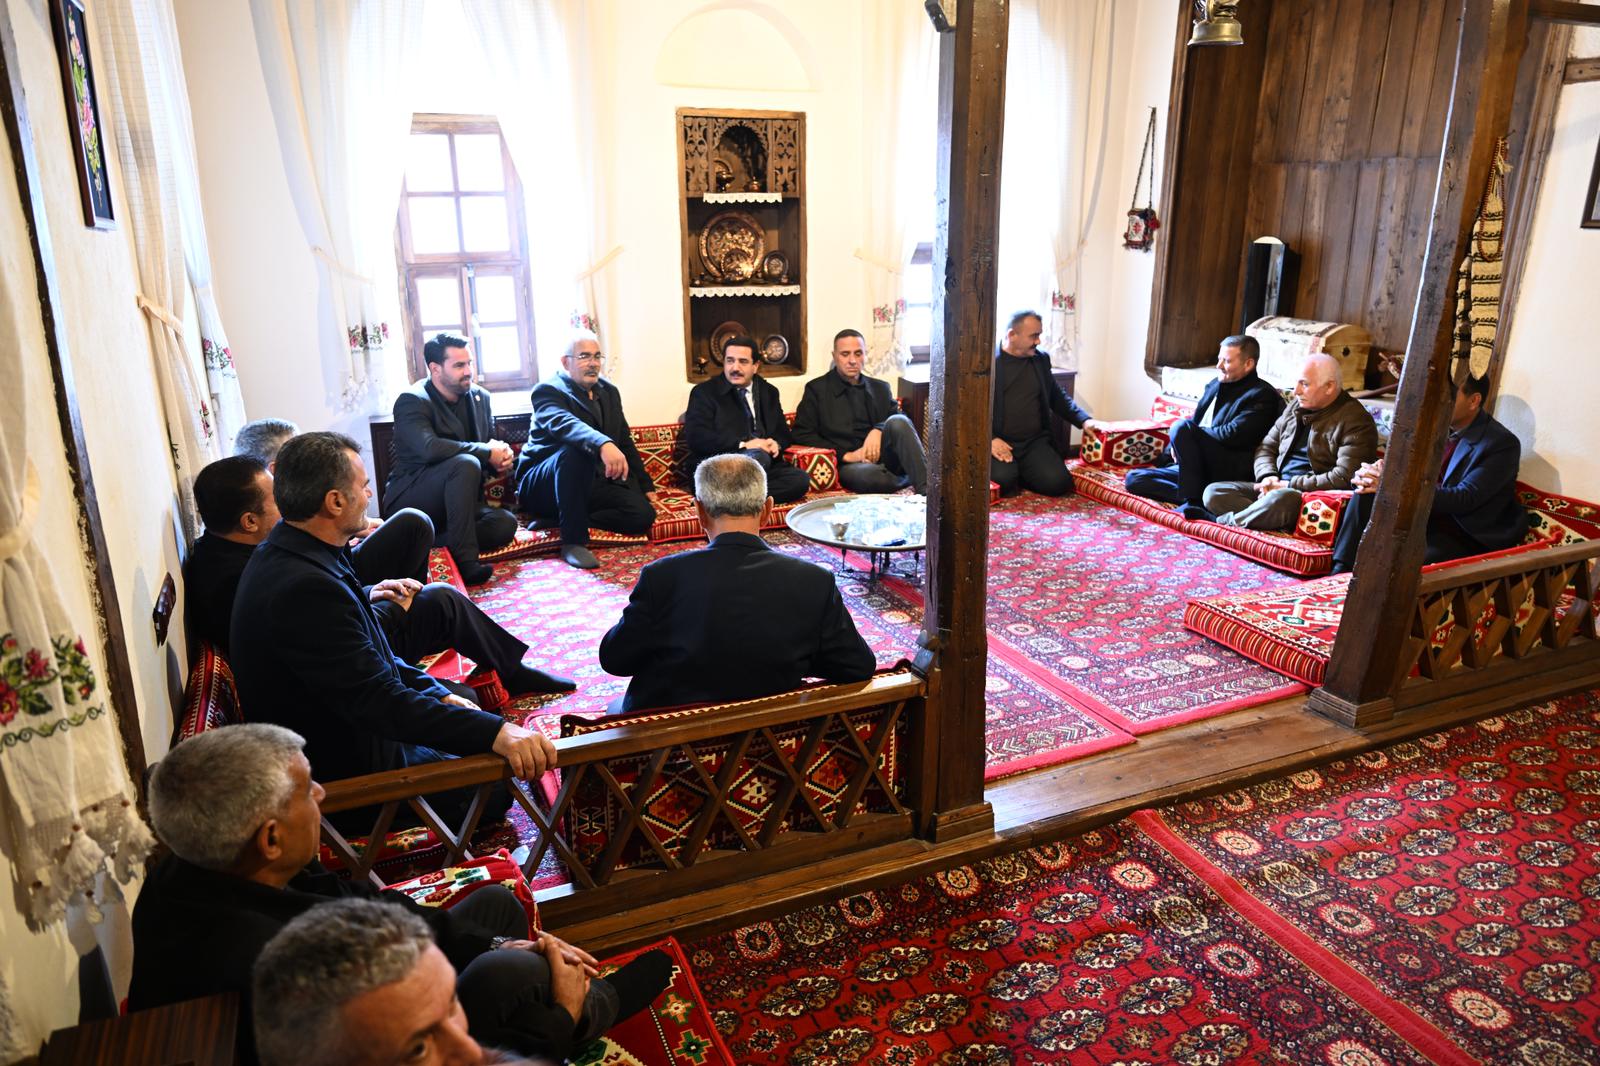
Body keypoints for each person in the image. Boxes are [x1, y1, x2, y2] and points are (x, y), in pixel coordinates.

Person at [130, 725, 667, 1065]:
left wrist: (497, 943)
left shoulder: (201, 864)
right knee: (509, 975)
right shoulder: (282, 967)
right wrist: (561, 1015)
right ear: (271, 838)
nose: (320, 793)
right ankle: (585, 1009)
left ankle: (538, 982)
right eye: (306, 789)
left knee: (496, 911)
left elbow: (360, 905)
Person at [229, 432, 556, 830]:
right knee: (496, 787)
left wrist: (437, 693)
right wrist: (496, 732)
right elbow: (379, 701)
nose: (369, 495)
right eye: (363, 486)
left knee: (464, 703)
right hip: (342, 774)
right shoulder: (305, 587)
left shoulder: (301, 550)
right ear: (335, 502)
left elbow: (371, 656)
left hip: (354, 729)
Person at [186, 454, 571, 694]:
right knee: (462, 691)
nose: (286, 506)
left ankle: (512, 670)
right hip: (341, 660)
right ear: (249, 521)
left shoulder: (251, 548)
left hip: (344, 625)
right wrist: (381, 604)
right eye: (276, 500)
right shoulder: (240, 579)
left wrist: (370, 590)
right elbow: (332, 639)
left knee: (440, 594)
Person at [599, 454, 875, 713]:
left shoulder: (661, 576)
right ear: (767, 510)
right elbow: (857, 665)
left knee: (615, 708)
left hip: (674, 740)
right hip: (770, 738)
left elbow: (616, 660)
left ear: (699, 511)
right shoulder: (815, 580)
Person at [1331, 373, 1528, 573]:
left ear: (1474, 401)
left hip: (1461, 530)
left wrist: (1393, 486)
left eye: (1449, 396)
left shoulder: (1501, 444)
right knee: (1365, 493)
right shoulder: (1433, 427)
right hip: (1423, 512)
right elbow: (1401, 470)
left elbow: (1464, 498)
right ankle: (1339, 571)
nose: (1439, 402)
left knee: (1404, 562)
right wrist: (1373, 475)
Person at [234, 416, 435, 588]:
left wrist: (352, 523)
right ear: (276, 468)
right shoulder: (260, 505)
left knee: (414, 522)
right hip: (326, 575)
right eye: (297, 453)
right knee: (438, 598)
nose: (305, 455)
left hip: (334, 561)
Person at [384, 334, 520, 585]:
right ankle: (466, 562)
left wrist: (500, 458)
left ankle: (428, 539)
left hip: (460, 507)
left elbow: (487, 446)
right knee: (465, 463)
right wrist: (485, 452)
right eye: (459, 365)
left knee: (504, 524)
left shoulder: (480, 397)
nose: (468, 371)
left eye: (470, 363)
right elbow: (429, 449)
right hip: (414, 497)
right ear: (435, 368)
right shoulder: (412, 400)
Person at [515, 331, 657, 570]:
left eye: (597, 356)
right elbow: (564, 423)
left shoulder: (609, 392)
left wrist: (645, 485)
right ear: (565, 362)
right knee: (574, 451)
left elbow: (624, 440)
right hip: (544, 485)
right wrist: (602, 444)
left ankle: (559, 521)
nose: (593, 363)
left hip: (587, 484)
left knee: (642, 516)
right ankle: (573, 542)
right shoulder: (547, 391)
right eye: (584, 356)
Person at [1201, 353, 1379, 531]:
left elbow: (1344, 477)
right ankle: (1264, 517)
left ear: (1329, 387)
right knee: (1214, 492)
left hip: (1308, 498)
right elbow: (1267, 447)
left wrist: (1288, 485)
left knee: (1282, 500)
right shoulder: (1296, 406)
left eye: (1305, 384)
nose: (1296, 391)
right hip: (1276, 487)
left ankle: (1227, 522)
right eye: (1296, 383)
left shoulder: (1356, 420)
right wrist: (1267, 477)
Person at [1123, 335, 1284, 520]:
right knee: (1134, 479)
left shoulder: (1262, 395)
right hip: (1195, 468)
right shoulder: (1215, 385)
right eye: (1219, 359)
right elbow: (1196, 421)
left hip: (1228, 468)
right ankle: (1199, 497)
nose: (1219, 366)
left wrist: (1189, 437)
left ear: (1248, 364)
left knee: (1181, 427)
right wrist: (1178, 444)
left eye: (1227, 361)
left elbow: (1232, 434)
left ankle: (1193, 500)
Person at [792, 329, 927, 495]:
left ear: (864, 355)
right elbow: (801, 433)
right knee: (874, 478)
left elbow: (900, 419)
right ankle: (907, 478)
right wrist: (846, 455)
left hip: (886, 457)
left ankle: (927, 492)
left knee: (899, 421)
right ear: (834, 356)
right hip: (852, 465)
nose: (852, 361)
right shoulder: (817, 389)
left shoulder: (880, 388)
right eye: (845, 354)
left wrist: (879, 429)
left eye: (858, 354)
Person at [683, 337, 810, 505]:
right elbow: (697, 438)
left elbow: (784, 434)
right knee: (757, 457)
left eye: (742, 362)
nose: (735, 368)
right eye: (730, 361)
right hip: (719, 468)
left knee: (800, 480)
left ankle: (722, 500)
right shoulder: (704, 393)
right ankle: (732, 496)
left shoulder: (768, 392)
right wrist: (744, 445)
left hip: (762, 468)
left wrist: (776, 444)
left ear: (755, 366)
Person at [991, 310, 1099, 496]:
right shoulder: (988, 362)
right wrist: (990, 439)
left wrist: (1084, 420)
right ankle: (1015, 472)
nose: (1038, 341)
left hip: (1033, 442)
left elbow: (1056, 396)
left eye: (1039, 335)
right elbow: (969, 410)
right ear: (1012, 335)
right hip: (1000, 441)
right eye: (1034, 336)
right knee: (1005, 481)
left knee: (1058, 484)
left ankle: (1024, 470)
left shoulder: (1041, 359)